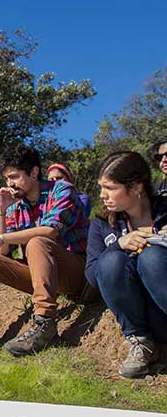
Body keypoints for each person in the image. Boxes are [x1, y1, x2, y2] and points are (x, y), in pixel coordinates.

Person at [0, 146, 89, 356]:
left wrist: (2, 237)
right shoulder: (17, 206)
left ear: (33, 172)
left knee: (37, 242)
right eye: (6, 178)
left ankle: (45, 322)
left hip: (76, 273)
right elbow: (1, 251)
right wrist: (1, 210)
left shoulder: (61, 189)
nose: (9, 183)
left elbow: (51, 231)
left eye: (14, 176)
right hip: (40, 276)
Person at [85, 151, 167, 378]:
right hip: (143, 316)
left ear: (136, 188)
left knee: (151, 257)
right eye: (101, 187)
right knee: (110, 261)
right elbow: (92, 276)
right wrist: (119, 244)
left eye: (110, 188)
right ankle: (142, 344)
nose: (102, 195)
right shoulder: (101, 225)